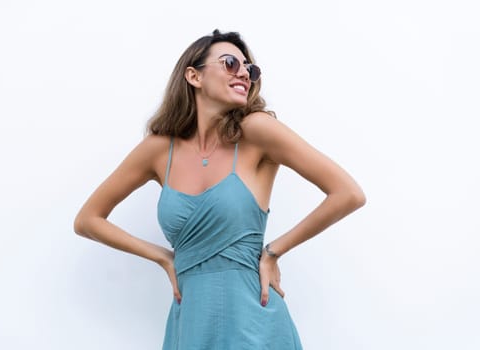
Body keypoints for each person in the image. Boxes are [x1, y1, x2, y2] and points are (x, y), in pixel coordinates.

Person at [74, 29, 366, 349]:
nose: (244, 73)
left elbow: (347, 193)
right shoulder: (158, 150)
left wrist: (273, 251)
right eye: (230, 63)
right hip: (190, 324)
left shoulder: (256, 131)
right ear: (194, 76)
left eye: (250, 69)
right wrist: (162, 257)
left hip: (254, 324)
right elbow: (88, 220)